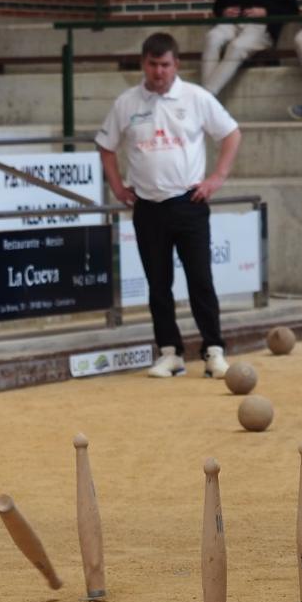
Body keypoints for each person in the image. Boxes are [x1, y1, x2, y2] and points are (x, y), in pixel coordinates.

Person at [96, 32, 241, 379]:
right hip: (147, 206)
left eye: (165, 64)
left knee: (200, 279)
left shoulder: (195, 97)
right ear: (143, 64)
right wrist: (117, 185)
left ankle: (213, 350)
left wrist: (216, 178)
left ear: (176, 64)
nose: (158, 71)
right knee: (158, 283)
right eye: (152, 64)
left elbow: (231, 133)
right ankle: (170, 352)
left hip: (189, 202)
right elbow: (106, 146)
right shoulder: (126, 103)